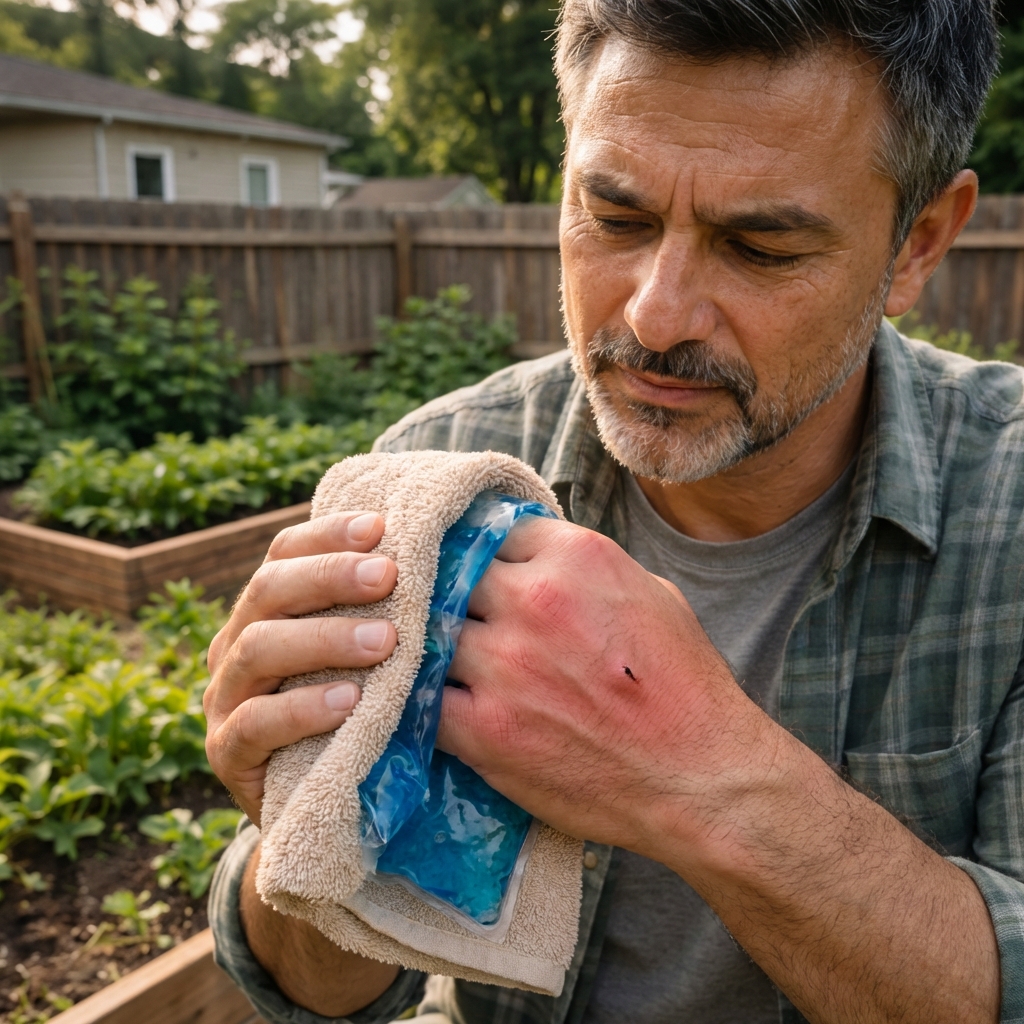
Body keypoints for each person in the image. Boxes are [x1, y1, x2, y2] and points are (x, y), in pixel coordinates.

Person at [203, 2, 1023, 1021]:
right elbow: (328, 992)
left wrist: (697, 769)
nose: (655, 315)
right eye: (616, 219)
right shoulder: (433, 477)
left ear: (920, 242)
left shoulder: (1007, 505)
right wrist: (300, 832)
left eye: (760, 247)